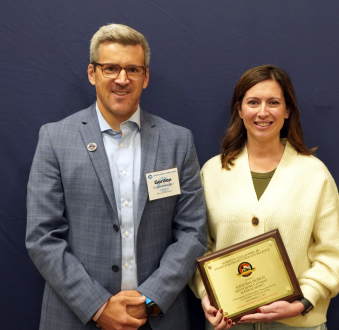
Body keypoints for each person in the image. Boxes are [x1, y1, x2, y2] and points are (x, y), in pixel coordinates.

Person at [26, 23, 207, 330]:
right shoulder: (56, 139)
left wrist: (149, 300)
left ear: (145, 77)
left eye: (133, 70)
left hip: (156, 318)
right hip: (76, 317)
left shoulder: (177, 141)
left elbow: (192, 231)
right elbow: (43, 237)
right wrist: (98, 306)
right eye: (111, 68)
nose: (122, 79)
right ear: (92, 73)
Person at [189, 65, 339, 330]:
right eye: (253, 102)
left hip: (296, 323)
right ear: (239, 110)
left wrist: (303, 301)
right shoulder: (213, 172)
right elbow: (198, 246)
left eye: (273, 102)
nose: (263, 112)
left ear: (287, 111)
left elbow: (333, 254)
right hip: (230, 323)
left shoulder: (314, 173)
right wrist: (206, 293)